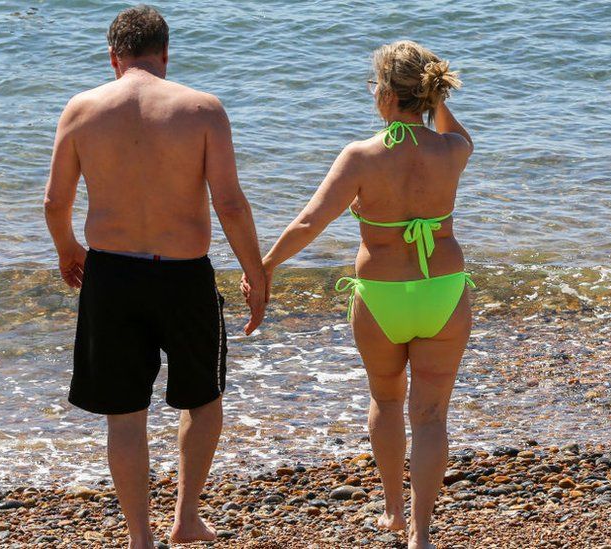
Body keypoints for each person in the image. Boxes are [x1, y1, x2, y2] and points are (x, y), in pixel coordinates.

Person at [43, 5, 267, 547]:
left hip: (111, 277)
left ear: (113, 56)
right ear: (165, 54)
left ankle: (139, 537)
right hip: (184, 276)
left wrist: (68, 249)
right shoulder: (202, 109)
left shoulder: (82, 109)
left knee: (124, 415)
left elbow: (54, 201)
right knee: (203, 398)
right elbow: (231, 205)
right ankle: (187, 517)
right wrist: (255, 275)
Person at [256, 41, 472, 549]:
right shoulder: (452, 151)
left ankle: (394, 512)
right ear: (429, 93)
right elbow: (454, 130)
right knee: (432, 415)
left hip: (381, 297)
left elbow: (311, 221)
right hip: (442, 292)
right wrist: (434, 103)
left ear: (383, 94)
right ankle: (421, 533)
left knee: (386, 398)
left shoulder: (361, 156)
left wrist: (265, 266)